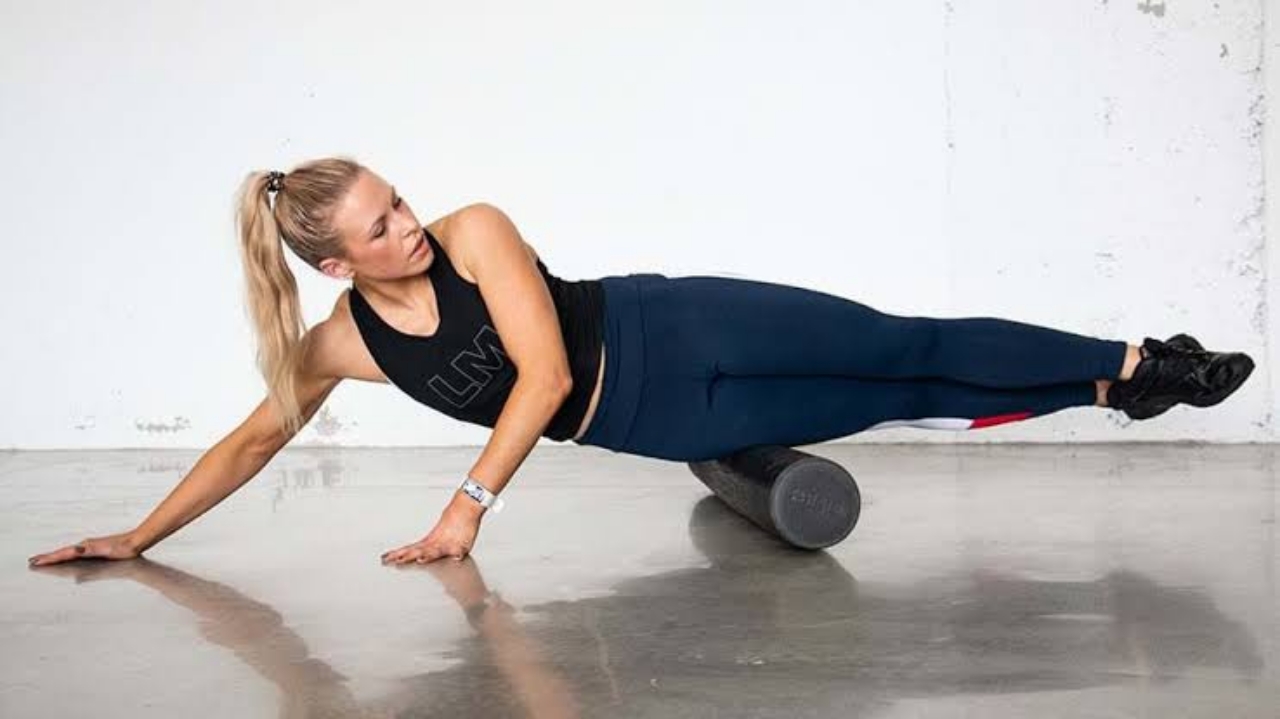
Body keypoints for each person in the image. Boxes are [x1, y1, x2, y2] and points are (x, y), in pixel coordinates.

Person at [28, 156, 1256, 569]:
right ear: (336, 263)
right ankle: (1109, 390)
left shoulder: (475, 229)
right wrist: (138, 534)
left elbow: (545, 376)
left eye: (396, 199)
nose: (408, 224)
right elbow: (252, 438)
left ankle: (1142, 357)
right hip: (655, 423)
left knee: (905, 341)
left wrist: (466, 506)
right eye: (381, 227)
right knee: (906, 397)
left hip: (682, 328)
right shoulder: (341, 345)